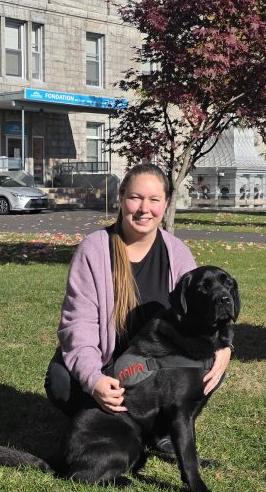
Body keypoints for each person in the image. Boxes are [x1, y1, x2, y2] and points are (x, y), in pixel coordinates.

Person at [45, 162, 233, 426]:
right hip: (107, 365)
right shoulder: (94, 250)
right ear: (121, 198)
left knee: (209, 363)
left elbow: (201, 313)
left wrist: (224, 346)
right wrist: (94, 379)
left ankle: (164, 430)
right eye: (135, 198)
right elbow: (79, 324)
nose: (145, 209)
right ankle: (111, 418)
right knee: (61, 382)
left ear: (165, 203)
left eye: (154, 200)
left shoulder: (177, 253)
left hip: (154, 364)